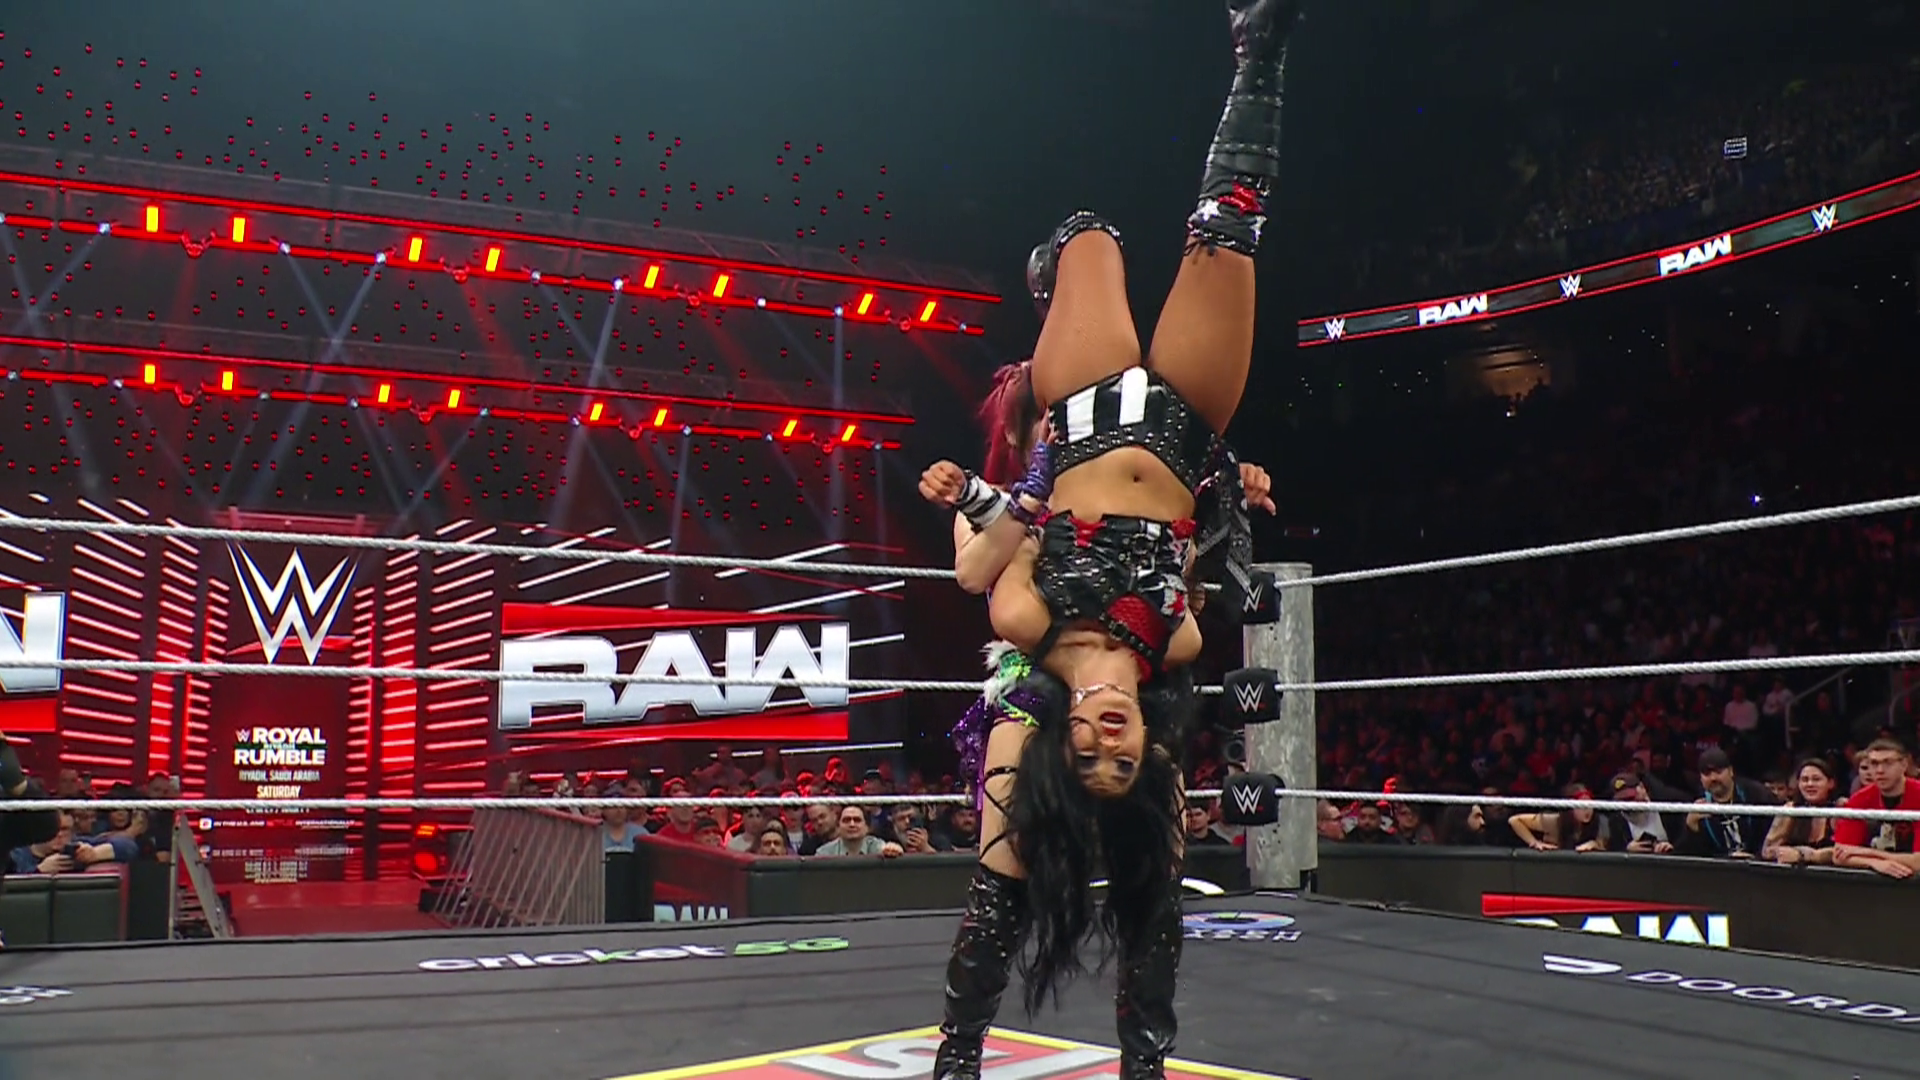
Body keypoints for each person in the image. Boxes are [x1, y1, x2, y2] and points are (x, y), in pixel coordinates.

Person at [925, 5, 1302, 1078]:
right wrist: (1230, 485)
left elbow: (997, 550)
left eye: (1088, 751)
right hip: (1185, 423)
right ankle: (1262, 46)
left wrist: (1002, 487)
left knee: (1090, 234)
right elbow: (1198, 559)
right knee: (1230, 225)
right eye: (1121, 756)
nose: (1105, 738)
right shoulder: (1173, 651)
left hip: (1086, 416)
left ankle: (956, 1056)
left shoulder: (1030, 635)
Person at [1832, 739, 1920, 879]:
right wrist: (1873, 863)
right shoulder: (1860, 799)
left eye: (1887, 763)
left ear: (1904, 765)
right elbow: (1839, 855)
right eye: (1874, 763)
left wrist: (1866, 853)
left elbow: (1918, 862)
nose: (1880, 770)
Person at [1763, 757, 1840, 866]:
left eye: (1816, 779)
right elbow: (1767, 850)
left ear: (1831, 783)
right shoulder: (1791, 810)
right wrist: (1782, 853)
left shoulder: (1840, 811)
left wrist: (1803, 855)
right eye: (1804, 780)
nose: (1810, 784)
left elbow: (1844, 852)